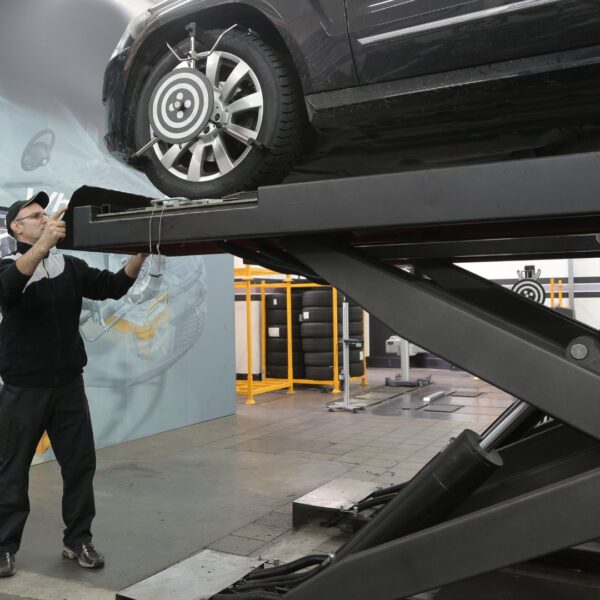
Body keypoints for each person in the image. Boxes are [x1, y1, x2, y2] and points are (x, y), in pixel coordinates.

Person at [0, 191, 147, 577]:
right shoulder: (8, 266)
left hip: (68, 386)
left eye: (45, 213)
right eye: (35, 216)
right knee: (12, 470)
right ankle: (3, 546)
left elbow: (113, 285)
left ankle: (78, 539)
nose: (45, 218)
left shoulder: (70, 265)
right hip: (23, 388)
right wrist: (44, 245)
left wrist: (140, 254)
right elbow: (9, 288)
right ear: (16, 228)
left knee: (80, 466)